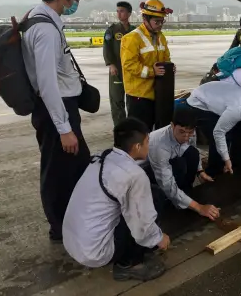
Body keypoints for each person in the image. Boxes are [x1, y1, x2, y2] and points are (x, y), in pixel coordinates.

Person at [22, 0, 92, 242]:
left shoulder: (40, 19)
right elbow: (47, 83)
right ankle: (59, 227)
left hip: (58, 108)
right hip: (56, 110)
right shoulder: (46, 30)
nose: (76, 2)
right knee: (56, 171)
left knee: (76, 166)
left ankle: (70, 221)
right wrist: (64, 128)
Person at [63, 118, 170, 282]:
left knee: (135, 201)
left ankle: (133, 254)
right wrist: (158, 238)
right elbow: (141, 222)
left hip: (73, 240)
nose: (149, 146)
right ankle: (128, 265)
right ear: (137, 146)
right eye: (147, 142)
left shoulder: (102, 156)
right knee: (153, 198)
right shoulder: (135, 176)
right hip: (95, 251)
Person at [148, 107, 220, 220]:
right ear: (172, 126)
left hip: (171, 162)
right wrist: (199, 207)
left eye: (190, 132)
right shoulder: (159, 145)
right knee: (179, 166)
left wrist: (200, 171)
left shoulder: (190, 132)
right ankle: (173, 200)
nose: (186, 136)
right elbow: (167, 184)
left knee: (192, 153)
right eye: (181, 132)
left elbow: (193, 149)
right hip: (149, 171)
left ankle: (185, 194)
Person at [121, 0, 174, 131]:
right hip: (139, 96)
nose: (160, 25)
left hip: (157, 94)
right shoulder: (132, 38)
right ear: (145, 19)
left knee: (158, 132)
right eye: (157, 21)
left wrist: (169, 67)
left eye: (162, 21)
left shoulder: (161, 37)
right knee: (140, 133)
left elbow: (166, 58)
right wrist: (152, 71)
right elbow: (129, 64)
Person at [103, 1, 136, 126]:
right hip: (117, 71)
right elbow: (107, 48)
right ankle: (120, 129)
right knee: (117, 101)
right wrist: (111, 64)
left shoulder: (135, 31)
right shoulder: (112, 30)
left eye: (121, 11)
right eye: (117, 11)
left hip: (132, 71)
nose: (118, 13)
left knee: (133, 101)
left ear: (129, 13)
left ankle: (133, 128)